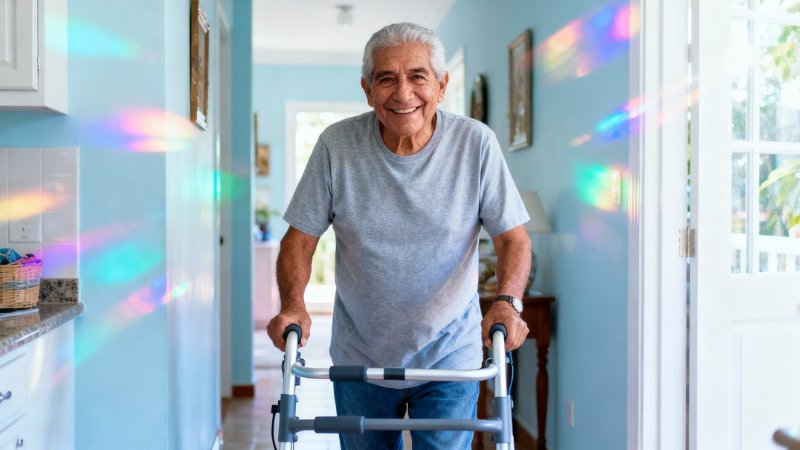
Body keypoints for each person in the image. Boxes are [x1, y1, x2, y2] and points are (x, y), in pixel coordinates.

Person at [267, 22, 532, 450]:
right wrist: (293, 305)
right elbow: (299, 240)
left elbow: (512, 239)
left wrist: (507, 302)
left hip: (450, 356)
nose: (403, 93)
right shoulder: (336, 146)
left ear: (441, 85)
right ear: (367, 89)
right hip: (360, 356)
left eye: (418, 76)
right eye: (386, 78)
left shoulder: (476, 144)